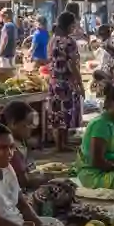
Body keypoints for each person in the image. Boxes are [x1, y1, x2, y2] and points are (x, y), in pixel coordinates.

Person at [47, 10, 84, 151]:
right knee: (66, 113)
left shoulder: (53, 40)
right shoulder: (69, 42)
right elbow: (72, 65)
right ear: (69, 25)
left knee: (56, 113)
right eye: (73, 25)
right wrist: (79, 84)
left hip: (53, 81)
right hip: (65, 82)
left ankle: (59, 144)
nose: (74, 27)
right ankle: (62, 144)